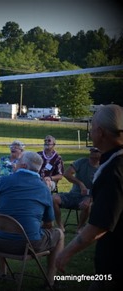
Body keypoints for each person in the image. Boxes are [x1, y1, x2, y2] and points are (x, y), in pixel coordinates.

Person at [56, 104, 123, 290]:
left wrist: (65, 252)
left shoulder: (113, 170)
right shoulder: (111, 162)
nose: (91, 133)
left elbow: (101, 224)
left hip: (115, 265)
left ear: (100, 133)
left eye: (92, 128)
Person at [0, 151, 64, 287]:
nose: (15, 163)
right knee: (60, 234)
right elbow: (49, 223)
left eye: (18, 161)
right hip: (29, 245)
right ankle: (50, 281)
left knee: (0, 218)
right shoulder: (43, 189)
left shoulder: (4, 181)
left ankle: (2, 272)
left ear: (24, 165)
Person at [52, 147, 101, 233]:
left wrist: (90, 198)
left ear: (101, 153)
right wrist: (80, 184)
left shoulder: (102, 168)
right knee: (54, 198)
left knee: (87, 204)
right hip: (73, 195)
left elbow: (103, 188)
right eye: (91, 150)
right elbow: (67, 174)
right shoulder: (82, 162)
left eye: (96, 151)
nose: (92, 152)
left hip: (89, 197)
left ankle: (80, 227)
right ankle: (60, 226)